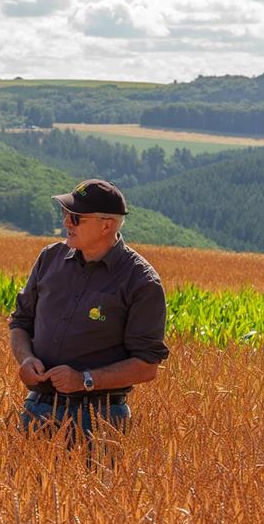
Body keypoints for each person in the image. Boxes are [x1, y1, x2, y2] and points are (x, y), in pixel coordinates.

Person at [9, 178, 169, 462]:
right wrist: (25, 358)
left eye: (76, 217)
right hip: (39, 408)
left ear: (106, 225)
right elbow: (21, 322)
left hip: (99, 419)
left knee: (96, 504)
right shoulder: (50, 258)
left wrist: (84, 380)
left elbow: (147, 366)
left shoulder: (141, 281)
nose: (66, 222)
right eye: (65, 214)